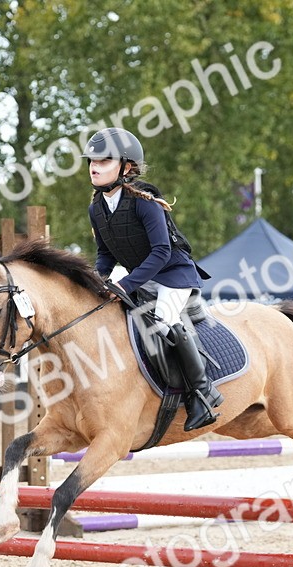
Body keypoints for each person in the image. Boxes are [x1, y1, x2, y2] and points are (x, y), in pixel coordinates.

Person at [84, 127, 223, 431]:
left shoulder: (145, 201)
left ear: (126, 167)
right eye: (92, 161)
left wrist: (125, 284)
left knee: (162, 319)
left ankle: (202, 393)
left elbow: (161, 252)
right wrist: (98, 280)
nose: (94, 166)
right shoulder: (96, 207)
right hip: (141, 277)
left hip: (174, 273)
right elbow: (106, 254)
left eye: (104, 160)